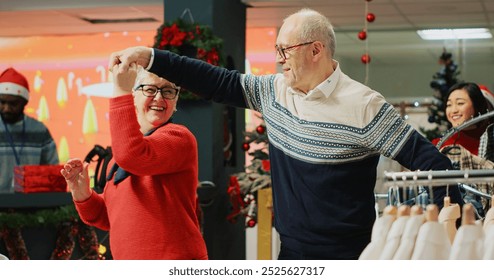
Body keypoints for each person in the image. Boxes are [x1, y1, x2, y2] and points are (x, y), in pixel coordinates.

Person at [108, 8, 463, 260]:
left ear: (316, 49)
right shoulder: (273, 91)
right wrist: (152, 57)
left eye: (285, 50)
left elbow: (428, 162)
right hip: (290, 253)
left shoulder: (365, 105)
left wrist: (456, 229)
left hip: (350, 256)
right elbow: (215, 81)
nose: (279, 59)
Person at [60, 66, 208, 260]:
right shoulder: (120, 158)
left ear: (176, 100)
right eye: (150, 89)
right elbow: (108, 217)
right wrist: (82, 194)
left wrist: (120, 91)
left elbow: (132, 155)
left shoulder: (179, 138)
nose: (159, 97)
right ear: (134, 96)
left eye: (168, 90)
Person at [0, 67, 59, 192]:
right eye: (2, 102)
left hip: (33, 207)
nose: (6, 108)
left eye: (13, 104)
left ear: (24, 102)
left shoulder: (40, 130)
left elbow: (53, 172)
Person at [432, 82, 490, 155]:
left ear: (476, 105)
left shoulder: (489, 142)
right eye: (449, 105)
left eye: (460, 103)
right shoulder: (438, 145)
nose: (454, 110)